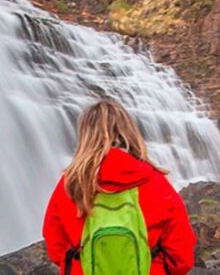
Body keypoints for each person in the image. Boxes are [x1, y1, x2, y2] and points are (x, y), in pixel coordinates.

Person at [42, 99, 197, 275]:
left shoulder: (70, 184)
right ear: (130, 132)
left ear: (85, 136)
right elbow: (181, 256)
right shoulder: (155, 182)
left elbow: (55, 246)